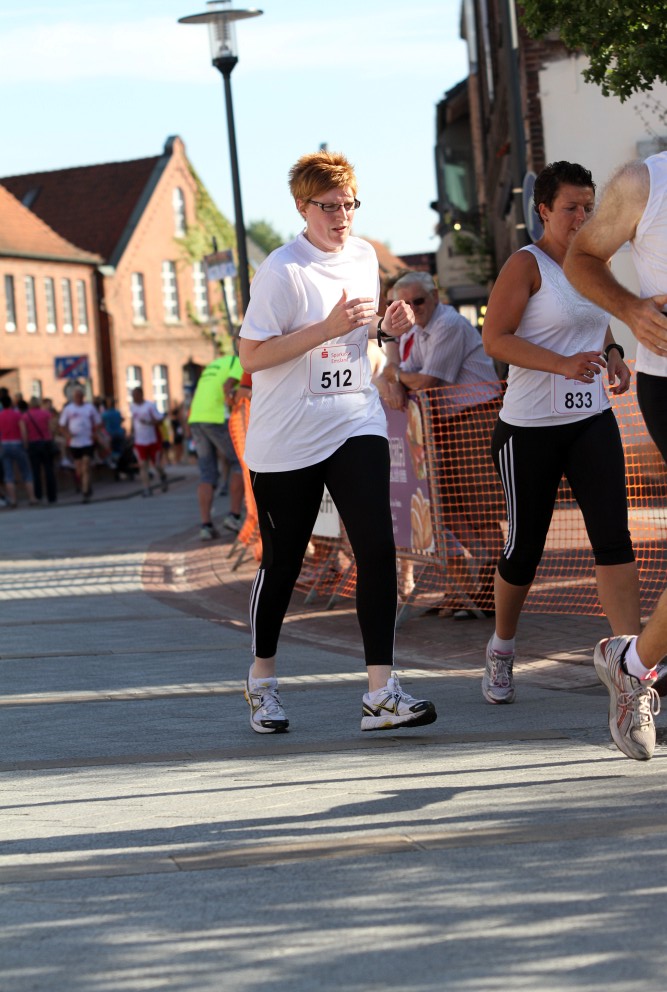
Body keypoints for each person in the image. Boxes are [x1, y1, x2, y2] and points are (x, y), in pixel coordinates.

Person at [237, 149, 437, 735]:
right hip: (287, 436)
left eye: (349, 204)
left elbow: (359, 340)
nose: (342, 216)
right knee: (284, 562)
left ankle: (381, 693)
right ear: (303, 207)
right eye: (329, 207)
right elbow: (252, 356)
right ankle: (261, 680)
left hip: (353, 418)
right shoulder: (282, 270)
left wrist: (384, 330)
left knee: (377, 549)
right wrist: (325, 328)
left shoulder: (364, 256)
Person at [479, 160, 641, 710]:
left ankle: (631, 665)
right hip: (529, 430)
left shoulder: (595, 260)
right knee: (524, 549)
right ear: (544, 210)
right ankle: (502, 648)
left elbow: (597, 315)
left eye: (589, 207)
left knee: (613, 539)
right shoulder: (526, 264)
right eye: (571, 207)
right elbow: (495, 339)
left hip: (591, 420)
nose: (582, 217)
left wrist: (613, 353)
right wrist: (560, 364)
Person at [564, 152, 667, 760]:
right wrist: (630, 310)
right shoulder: (645, 182)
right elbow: (581, 257)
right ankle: (636, 666)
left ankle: (633, 662)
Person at [381, 270, 504, 613]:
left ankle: (492, 591)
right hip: (449, 425)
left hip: (475, 421)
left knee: (480, 510)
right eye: (404, 304)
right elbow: (401, 374)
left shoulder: (448, 324)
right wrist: (396, 376)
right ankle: (479, 583)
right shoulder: (419, 330)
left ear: (435, 297)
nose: (413, 308)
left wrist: (395, 376)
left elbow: (424, 381)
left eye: (418, 301)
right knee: (445, 506)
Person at [187, 354, 245, 539]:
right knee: (240, 463)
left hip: (196, 417)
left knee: (207, 473)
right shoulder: (238, 361)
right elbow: (227, 386)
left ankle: (206, 526)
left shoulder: (215, 364)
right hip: (216, 417)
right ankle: (234, 516)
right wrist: (233, 404)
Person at [58, 386, 102, 502]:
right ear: (73, 397)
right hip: (74, 443)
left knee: (86, 465)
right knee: (79, 469)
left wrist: (95, 433)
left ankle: (85, 492)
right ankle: (86, 485)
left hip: (87, 441)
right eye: (76, 396)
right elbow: (61, 425)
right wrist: (67, 435)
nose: (78, 398)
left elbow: (98, 422)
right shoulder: (69, 409)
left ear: (83, 396)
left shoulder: (89, 408)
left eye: (80, 396)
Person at [129, 387, 168, 497]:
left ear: (141, 395)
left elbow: (160, 420)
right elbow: (133, 421)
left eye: (135, 395)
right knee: (142, 465)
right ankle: (147, 488)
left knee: (156, 465)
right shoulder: (132, 407)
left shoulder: (150, 406)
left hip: (152, 440)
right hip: (139, 441)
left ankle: (162, 475)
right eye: (132, 396)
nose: (134, 398)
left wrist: (148, 422)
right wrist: (131, 432)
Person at [0, 392, 37, 507]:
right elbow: (23, 430)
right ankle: (32, 498)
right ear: (11, 403)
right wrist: (25, 444)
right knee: (26, 471)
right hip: (17, 443)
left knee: (8, 474)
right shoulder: (17, 415)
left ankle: (13, 500)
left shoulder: (0, 416)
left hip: (5, 444)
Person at [24, 396, 58, 503]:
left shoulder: (26, 416)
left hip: (33, 444)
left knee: (35, 471)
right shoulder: (46, 414)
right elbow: (52, 429)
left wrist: (26, 445)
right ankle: (52, 496)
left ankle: (38, 495)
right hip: (46, 443)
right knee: (49, 470)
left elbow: (24, 433)